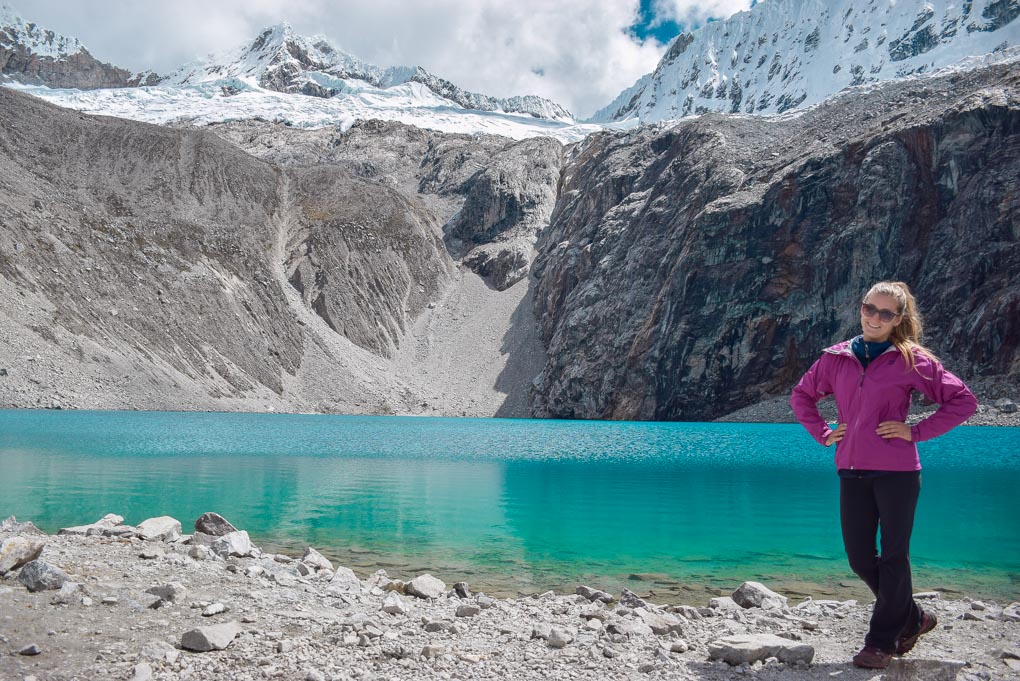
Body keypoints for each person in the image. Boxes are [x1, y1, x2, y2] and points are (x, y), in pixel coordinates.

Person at [790, 281, 977, 670]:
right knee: (860, 557)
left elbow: (963, 401)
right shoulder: (836, 357)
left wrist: (917, 430)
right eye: (868, 308)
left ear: (899, 319)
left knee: (893, 557)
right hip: (851, 470)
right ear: (860, 308)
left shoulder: (912, 360)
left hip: (898, 473)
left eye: (885, 313)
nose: (874, 317)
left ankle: (880, 641)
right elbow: (801, 395)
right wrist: (825, 433)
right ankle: (913, 617)